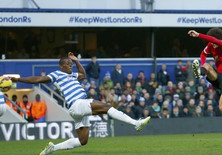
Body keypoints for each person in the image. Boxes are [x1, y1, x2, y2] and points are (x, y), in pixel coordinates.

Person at [11, 52, 150, 155]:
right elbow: (37, 79)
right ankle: (135, 123)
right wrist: (18, 80)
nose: (70, 66)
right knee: (106, 107)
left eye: (71, 64)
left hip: (77, 109)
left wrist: (76, 61)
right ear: (61, 66)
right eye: (68, 64)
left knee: (83, 141)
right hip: (78, 103)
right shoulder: (57, 75)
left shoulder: (73, 74)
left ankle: (53, 148)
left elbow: (83, 75)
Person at [188, 28, 222, 148]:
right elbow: (203, 53)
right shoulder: (211, 46)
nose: (211, 44)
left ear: (218, 39)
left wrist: (198, 35)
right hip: (219, 76)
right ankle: (201, 71)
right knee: (207, 65)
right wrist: (202, 63)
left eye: (213, 41)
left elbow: (213, 40)